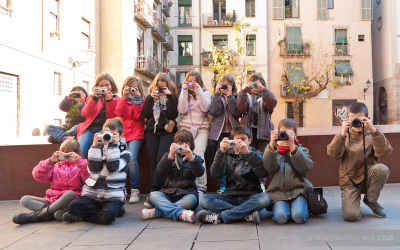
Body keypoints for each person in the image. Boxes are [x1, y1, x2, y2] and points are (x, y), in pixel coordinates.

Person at [327, 102, 392, 221]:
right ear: (347, 120)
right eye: (353, 120)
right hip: (349, 180)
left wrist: (373, 130)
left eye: (360, 119)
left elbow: (384, 152)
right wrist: (342, 135)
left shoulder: (373, 134)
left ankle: (371, 200)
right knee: (352, 216)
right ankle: (351, 201)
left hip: (368, 177)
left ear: (368, 118)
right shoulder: (343, 135)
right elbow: (333, 154)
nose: (356, 123)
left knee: (382, 169)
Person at [197, 126, 270, 225]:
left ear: (250, 141)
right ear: (232, 141)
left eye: (243, 139)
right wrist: (221, 153)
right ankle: (246, 215)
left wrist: (248, 153)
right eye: (237, 140)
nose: (240, 142)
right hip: (230, 196)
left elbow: (263, 173)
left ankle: (220, 217)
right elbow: (216, 174)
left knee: (264, 198)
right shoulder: (227, 155)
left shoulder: (256, 154)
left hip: (251, 196)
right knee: (203, 199)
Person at [64, 118, 130, 224]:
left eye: (113, 135)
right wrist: (95, 146)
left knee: (107, 218)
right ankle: (111, 212)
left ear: (121, 136)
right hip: (92, 194)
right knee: (73, 207)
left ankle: (85, 216)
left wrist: (113, 146)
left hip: (112, 196)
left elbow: (113, 168)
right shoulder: (97, 147)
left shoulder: (125, 153)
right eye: (106, 134)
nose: (109, 137)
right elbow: (94, 169)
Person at [12, 139, 89, 224]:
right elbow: (38, 176)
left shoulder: (82, 165)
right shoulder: (55, 166)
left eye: (70, 154)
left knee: (70, 194)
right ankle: (52, 213)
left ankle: (38, 215)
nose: (67, 156)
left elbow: (89, 179)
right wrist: (50, 161)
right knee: (25, 199)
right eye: (64, 153)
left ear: (77, 153)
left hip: (70, 201)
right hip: (52, 200)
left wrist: (79, 161)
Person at [141, 129, 205, 223]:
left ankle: (157, 212)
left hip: (187, 193)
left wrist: (191, 157)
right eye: (180, 144)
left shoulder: (195, 158)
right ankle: (181, 214)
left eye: (185, 144)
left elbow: (199, 173)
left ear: (190, 145)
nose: (182, 147)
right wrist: (170, 155)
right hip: (169, 192)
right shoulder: (170, 157)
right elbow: (160, 171)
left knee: (192, 200)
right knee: (154, 195)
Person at [263, 118, 314, 224]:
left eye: (289, 133)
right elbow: (269, 168)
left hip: (299, 191)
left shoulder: (302, 150)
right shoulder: (274, 152)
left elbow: (306, 168)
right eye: (283, 133)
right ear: (278, 133)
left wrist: (292, 147)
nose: (286, 136)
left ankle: (301, 206)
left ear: (296, 134)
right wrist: (271, 145)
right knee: (281, 218)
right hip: (278, 193)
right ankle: (284, 208)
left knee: (299, 217)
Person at [141, 73, 179, 208]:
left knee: (161, 159)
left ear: (168, 86)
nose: (161, 90)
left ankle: (156, 190)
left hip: (166, 132)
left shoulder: (172, 97)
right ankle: (155, 189)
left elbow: (173, 114)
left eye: (164, 88)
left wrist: (168, 96)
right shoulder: (150, 97)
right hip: (152, 131)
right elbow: (144, 114)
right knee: (152, 160)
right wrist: (151, 99)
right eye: (159, 88)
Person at [177, 71, 211, 195]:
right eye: (189, 81)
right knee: (182, 154)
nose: (191, 84)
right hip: (185, 127)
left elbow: (205, 108)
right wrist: (184, 91)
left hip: (202, 128)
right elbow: (182, 109)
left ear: (199, 82)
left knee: (198, 154)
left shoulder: (206, 93)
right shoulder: (184, 93)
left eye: (194, 81)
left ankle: (201, 187)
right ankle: (185, 185)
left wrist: (198, 91)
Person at [208, 73, 242, 193]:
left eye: (227, 85)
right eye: (222, 85)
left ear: (232, 86)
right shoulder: (215, 97)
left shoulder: (236, 97)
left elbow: (236, 113)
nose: (224, 87)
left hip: (233, 133)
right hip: (219, 135)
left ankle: (233, 185)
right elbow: (215, 112)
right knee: (222, 160)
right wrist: (217, 94)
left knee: (234, 159)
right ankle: (222, 187)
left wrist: (229, 97)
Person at [115, 76, 146, 204]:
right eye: (130, 88)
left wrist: (137, 100)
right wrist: (124, 97)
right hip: (123, 134)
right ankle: (119, 189)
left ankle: (135, 190)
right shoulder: (122, 100)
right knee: (118, 158)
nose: (132, 90)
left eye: (135, 88)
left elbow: (139, 117)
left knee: (131, 158)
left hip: (137, 133)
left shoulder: (142, 101)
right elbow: (119, 113)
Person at [77, 73, 119, 158]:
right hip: (89, 129)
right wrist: (94, 99)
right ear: (96, 87)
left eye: (107, 85)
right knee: (80, 151)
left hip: (104, 129)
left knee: (97, 150)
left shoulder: (116, 99)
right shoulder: (92, 97)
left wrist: (109, 101)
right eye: (101, 85)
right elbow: (85, 113)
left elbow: (112, 119)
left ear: (112, 86)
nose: (104, 87)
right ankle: (82, 170)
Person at [237, 74, 277, 152]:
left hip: (264, 131)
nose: (255, 87)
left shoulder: (266, 95)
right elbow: (241, 109)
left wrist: (264, 90)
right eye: (253, 84)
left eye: (257, 84)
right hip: (248, 131)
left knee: (264, 155)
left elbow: (271, 106)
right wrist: (244, 91)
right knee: (249, 154)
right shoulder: (246, 96)